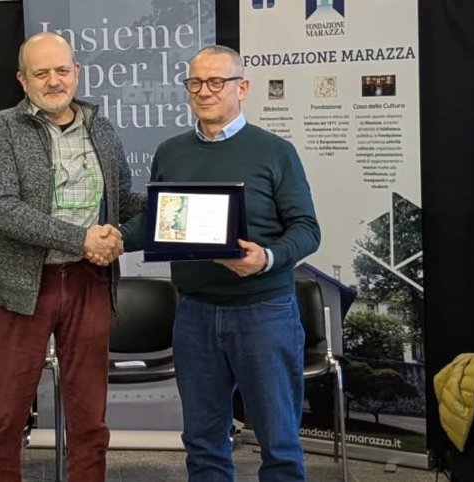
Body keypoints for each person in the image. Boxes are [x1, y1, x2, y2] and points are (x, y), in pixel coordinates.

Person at [121, 45, 321, 481]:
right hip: (194, 313)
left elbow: (307, 229)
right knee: (204, 443)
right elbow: (158, 222)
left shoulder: (275, 151)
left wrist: (266, 258)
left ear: (242, 87)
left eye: (216, 82)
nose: (204, 92)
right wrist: (113, 238)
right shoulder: (170, 151)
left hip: (264, 312)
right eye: (195, 83)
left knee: (280, 443)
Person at [0, 32, 145, 482]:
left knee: (90, 417)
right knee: (7, 415)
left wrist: (180, 209)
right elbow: (3, 210)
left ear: (77, 72)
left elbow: (123, 202)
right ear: (22, 79)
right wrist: (81, 238)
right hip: (24, 285)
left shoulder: (101, 129)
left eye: (62, 70)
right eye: (41, 72)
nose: (54, 81)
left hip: (90, 281)